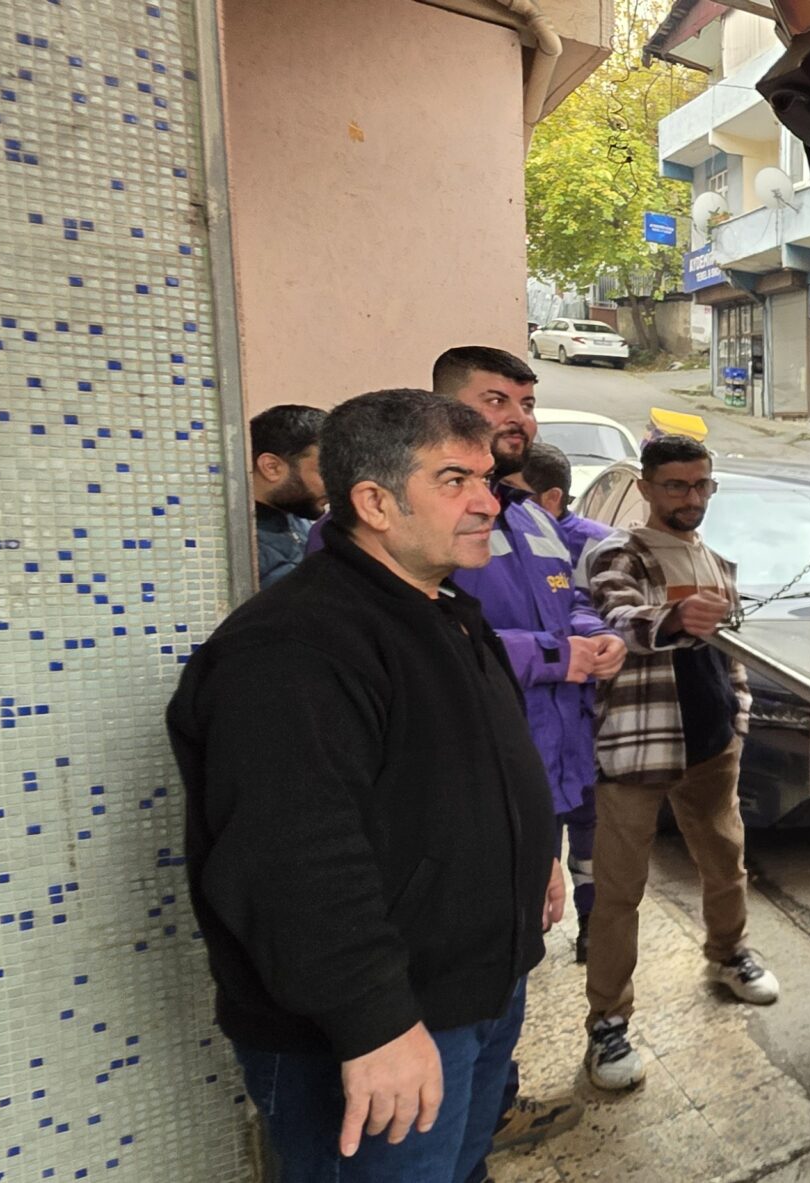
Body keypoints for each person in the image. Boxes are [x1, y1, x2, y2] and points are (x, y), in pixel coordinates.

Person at [170, 389, 562, 1183]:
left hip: (474, 993)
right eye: (454, 480)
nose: (488, 502)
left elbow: (476, 769)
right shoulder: (294, 646)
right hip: (382, 1025)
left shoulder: (445, 611)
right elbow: (290, 856)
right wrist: (375, 1022)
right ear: (375, 503)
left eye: (486, 480)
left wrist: (535, 859)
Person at [309, 347, 609, 1149]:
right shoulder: (331, 606)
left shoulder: (525, 517)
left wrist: (590, 635)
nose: (519, 418)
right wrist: (376, 1021)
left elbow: (565, 603)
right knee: (421, 1117)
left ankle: (491, 1111)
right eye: (496, 399)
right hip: (430, 881)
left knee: (495, 1012)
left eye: (527, 403)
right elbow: (304, 856)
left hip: (525, 802)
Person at [580, 435, 779, 1092]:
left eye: (701, 485)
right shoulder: (619, 553)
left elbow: (732, 654)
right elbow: (618, 619)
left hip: (711, 745)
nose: (691, 498)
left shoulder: (715, 561)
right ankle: (608, 1021)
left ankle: (728, 953)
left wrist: (737, 718)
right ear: (646, 487)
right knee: (618, 891)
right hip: (639, 747)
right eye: (675, 485)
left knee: (725, 863)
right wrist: (674, 618)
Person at [506, 440, 615, 959]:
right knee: (537, 837)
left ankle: (591, 920)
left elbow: (575, 604)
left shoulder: (578, 538)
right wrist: (553, 654)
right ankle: (531, 930)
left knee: (591, 834)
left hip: (578, 720)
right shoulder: (474, 533)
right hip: (526, 731)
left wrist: (598, 636)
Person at [249, 403, 328, 587]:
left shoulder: (300, 519)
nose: (336, 486)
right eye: (326, 472)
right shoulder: (239, 545)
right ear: (272, 467)